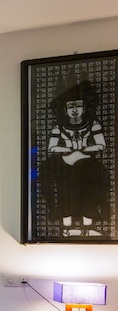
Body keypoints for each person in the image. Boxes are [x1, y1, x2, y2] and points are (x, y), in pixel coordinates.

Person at [40, 78, 108, 237]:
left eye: (78, 105)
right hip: (66, 167)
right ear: (64, 109)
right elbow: (52, 147)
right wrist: (69, 148)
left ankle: (88, 227)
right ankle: (66, 228)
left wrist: (84, 148)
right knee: (66, 197)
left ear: (85, 107)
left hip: (87, 167)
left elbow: (101, 144)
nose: (75, 110)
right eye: (71, 106)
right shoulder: (58, 128)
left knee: (89, 195)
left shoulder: (93, 125)